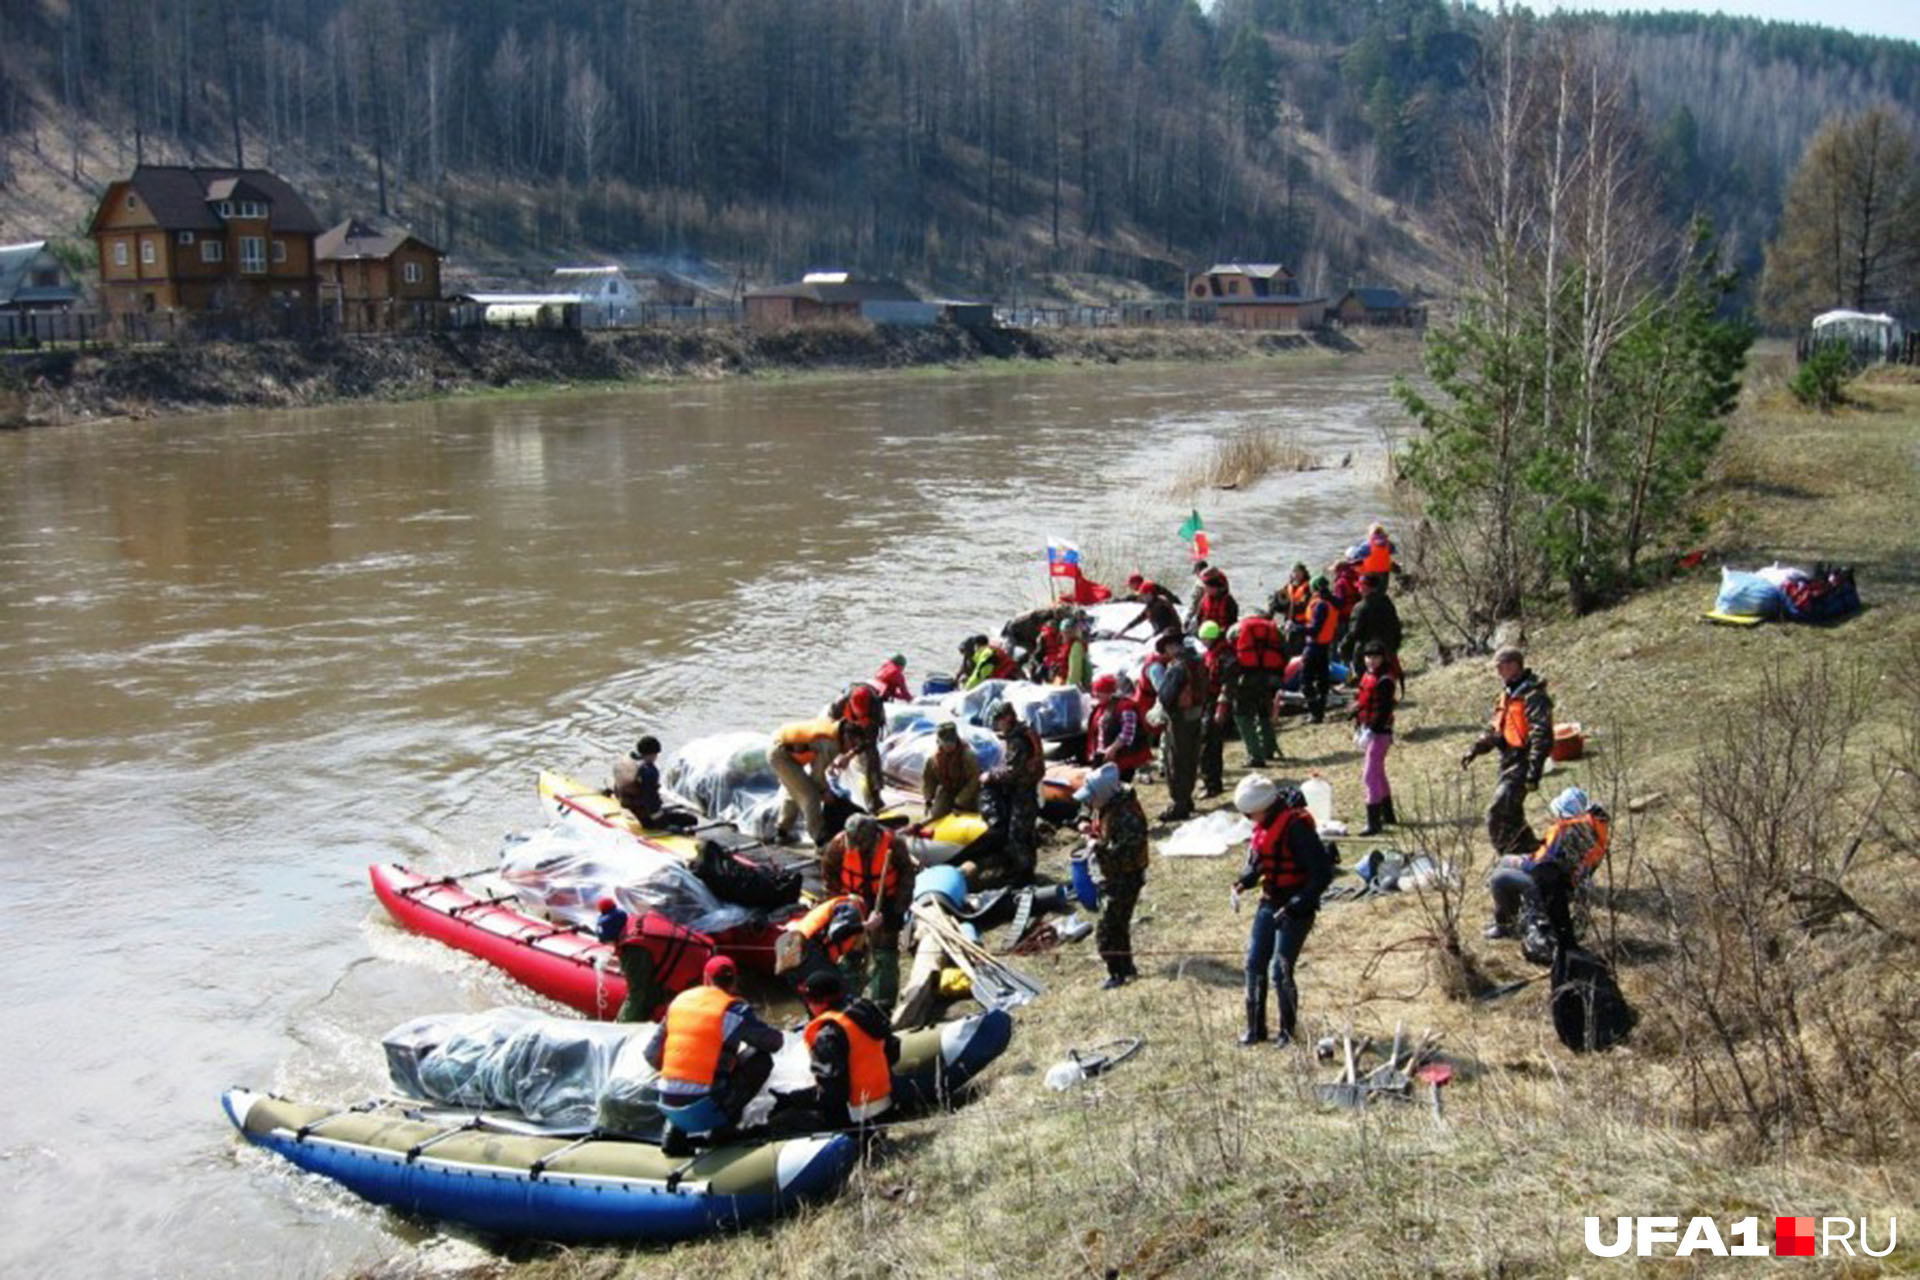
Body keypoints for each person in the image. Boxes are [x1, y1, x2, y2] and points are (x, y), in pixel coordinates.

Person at [643, 955, 784, 1154]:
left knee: (687, 1069)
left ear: (706, 979)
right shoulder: (735, 1010)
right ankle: (723, 1130)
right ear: (734, 981)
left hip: (666, 1103)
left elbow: (651, 1054)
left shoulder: (678, 1003)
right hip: (705, 1108)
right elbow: (775, 1043)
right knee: (758, 1058)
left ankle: (673, 1134)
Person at [1232, 777, 1335, 1047]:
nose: (1248, 818)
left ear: (1263, 807)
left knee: (1280, 969)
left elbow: (1322, 874)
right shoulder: (1263, 826)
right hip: (1270, 901)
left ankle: (1287, 1032)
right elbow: (1259, 863)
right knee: (1254, 964)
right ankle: (1255, 1029)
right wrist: (1244, 881)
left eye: (1250, 812)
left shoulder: (1296, 828)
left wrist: (1298, 904)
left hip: (1296, 908)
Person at [1487, 786, 1610, 955]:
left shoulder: (1567, 832)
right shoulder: (1593, 829)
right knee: (1506, 861)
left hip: (1550, 886)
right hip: (1570, 883)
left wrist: (1521, 862)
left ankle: (1506, 925)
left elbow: (1543, 868)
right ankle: (1511, 916)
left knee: (1499, 877)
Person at [1461, 646, 1555, 860]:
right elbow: (1495, 729)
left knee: (1497, 814)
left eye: (1500, 666)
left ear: (1514, 665)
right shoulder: (1507, 694)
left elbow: (1542, 735)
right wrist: (1475, 748)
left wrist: (1534, 770)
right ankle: (1531, 852)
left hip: (1523, 761)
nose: (1497, 672)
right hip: (1508, 761)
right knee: (1511, 814)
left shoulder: (1533, 695)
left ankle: (1508, 860)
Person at [818, 814, 915, 1009]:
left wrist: (898, 907)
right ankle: (848, 1000)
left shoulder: (894, 844)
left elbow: (907, 874)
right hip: (853, 902)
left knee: (885, 954)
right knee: (851, 954)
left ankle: (883, 1004)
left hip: (886, 902)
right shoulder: (837, 847)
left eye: (863, 844)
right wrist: (839, 906)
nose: (858, 848)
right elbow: (829, 878)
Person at [1075, 763, 1150, 989]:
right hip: (1114, 874)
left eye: (1092, 798)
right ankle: (1125, 968)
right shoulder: (1107, 800)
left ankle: (1117, 972)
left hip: (1126, 876)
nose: (1089, 802)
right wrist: (1085, 822)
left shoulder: (1128, 815)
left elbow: (1122, 851)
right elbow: (1086, 806)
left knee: (1108, 928)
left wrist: (1095, 846)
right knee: (1118, 924)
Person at [798, 968, 900, 1130]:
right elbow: (893, 1051)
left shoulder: (828, 1034)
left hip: (856, 1116)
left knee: (788, 1115)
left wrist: (794, 1098)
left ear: (818, 1002)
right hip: (885, 1103)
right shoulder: (866, 1010)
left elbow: (831, 1091)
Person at [596, 896, 716, 1023]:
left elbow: (638, 995)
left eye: (609, 942)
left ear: (615, 936)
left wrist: (621, 1025)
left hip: (698, 977)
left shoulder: (634, 949)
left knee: (648, 1003)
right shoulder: (637, 921)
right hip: (705, 952)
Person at [980, 700, 1044, 884]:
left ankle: (1024, 875)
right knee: (1025, 833)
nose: (997, 724)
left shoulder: (1017, 741)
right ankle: (1027, 871)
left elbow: (1012, 772)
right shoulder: (1023, 733)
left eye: (998, 720)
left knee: (1018, 835)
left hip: (1023, 793)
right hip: (1028, 790)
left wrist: (990, 776)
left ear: (1007, 718)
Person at [1153, 631, 1207, 822]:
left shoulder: (1177, 667)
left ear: (1171, 646)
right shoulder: (1198, 661)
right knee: (1190, 758)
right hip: (1196, 714)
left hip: (1179, 719)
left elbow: (1167, 696)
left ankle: (1179, 803)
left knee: (1175, 761)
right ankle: (1186, 798)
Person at [769, 715, 846, 845]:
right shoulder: (831, 745)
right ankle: (820, 839)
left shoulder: (832, 730)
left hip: (785, 749)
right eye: (852, 743)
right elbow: (817, 776)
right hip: (781, 754)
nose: (851, 748)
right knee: (810, 794)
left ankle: (781, 832)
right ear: (846, 737)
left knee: (795, 791)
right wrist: (824, 792)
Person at [1226, 612, 1285, 765]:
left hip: (1246, 678)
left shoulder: (1237, 628)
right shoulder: (1274, 629)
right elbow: (1285, 653)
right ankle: (1268, 749)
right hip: (1269, 678)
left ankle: (1255, 756)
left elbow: (1230, 651)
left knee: (1242, 716)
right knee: (1264, 712)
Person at [1352, 641, 1398, 835]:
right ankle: (1388, 816)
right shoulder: (1368, 676)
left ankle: (1374, 823)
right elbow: (1364, 703)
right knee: (1378, 773)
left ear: (1382, 658)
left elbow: (1384, 709)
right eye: (1368, 657)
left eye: (1375, 657)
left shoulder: (1385, 680)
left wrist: (1370, 730)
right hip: (1369, 728)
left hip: (1380, 733)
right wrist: (1358, 725)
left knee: (1370, 775)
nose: (1371, 661)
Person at [611, 736, 700, 833]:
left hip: (628, 807)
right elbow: (651, 801)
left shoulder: (627, 759)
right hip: (644, 817)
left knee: (668, 808)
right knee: (691, 819)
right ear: (651, 754)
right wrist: (664, 825)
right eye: (656, 754)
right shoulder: (648, 771)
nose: (656, 757)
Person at [830, 683, 887, 814]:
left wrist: (850, 755)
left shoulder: (875, 708)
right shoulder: (841, 702)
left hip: (869, 726)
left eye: (862, 717)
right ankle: (834, 789)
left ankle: (875, 796)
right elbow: (831, 723)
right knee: (837, 747)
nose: (860, 720)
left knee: (871, 756)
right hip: (847, 724)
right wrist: (838, 753)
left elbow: (870, 741)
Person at [1342, 572, 1404, 689]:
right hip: (1387, 648)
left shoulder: (1360, 607)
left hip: (1368, 651)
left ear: (1366, 587)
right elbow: (1396, 625)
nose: (1359, 589)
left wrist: (1344, 648)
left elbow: (1354, 632)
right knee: (1385, 676)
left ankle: (1369, 699)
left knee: (1367, 679)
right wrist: (1395, 644)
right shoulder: (1387, 602)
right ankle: (1385, 698)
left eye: (1360, 586)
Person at [1086, 673, 1153, 780]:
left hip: (1122, 759)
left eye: (1100, 691)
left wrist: (1113, 749)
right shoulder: (1099, 708)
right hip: (1102, 757)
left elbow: (1128, 733)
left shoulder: (1126, 708)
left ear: (1109, 693)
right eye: (1095, 691)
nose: (1096, 694)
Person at [1197, 620, 1232, 797]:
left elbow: (1227, 685)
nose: (1202, 643)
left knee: (1210, 745)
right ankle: (1210, 782)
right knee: (1207, 744)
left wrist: (1221, 708)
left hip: (1217, 703)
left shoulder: (1224, 656)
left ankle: (1212, 784)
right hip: (1209, 701)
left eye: (1204, 639)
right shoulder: (1212, 654)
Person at [921, 720, 982, 822]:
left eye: (952, 741)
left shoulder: (968, 756)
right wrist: (928, 799)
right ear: (939, 741)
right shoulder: (933, 759)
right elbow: (929, 780)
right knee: (936, 814)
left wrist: (961, 801)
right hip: (948, 791)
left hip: (969, 791)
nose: (950, 745)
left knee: (975, 814)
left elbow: (974, 780)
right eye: (946, 742)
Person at [1298, 576, 1338, 723]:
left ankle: (1315, 712)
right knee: (1322, 681)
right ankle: (1318, 713)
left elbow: (1315, 630)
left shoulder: (1320, 605)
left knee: (1305, 681)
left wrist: (1297, 629)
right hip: (1324, 646)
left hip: (1314, 647)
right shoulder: (1331, 602)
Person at [1124, 574, 1183, 640]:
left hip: (1172, 636)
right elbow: (1140, 618)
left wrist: (1149, 639)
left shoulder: (1160, 606)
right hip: (1164, 633)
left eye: (1143, 595)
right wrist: (1124, 630)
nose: (1142, 598)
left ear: (1149, 594)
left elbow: (1162, 627)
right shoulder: (1152, 604)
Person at [1185, 565, 1239, 635]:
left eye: (1207, 587)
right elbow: (1199, 618)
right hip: (1205, 635)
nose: (1205, 589)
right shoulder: (1204, 600)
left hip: (1222, 635)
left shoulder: (1229, 602)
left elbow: (1232, 625)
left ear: (1215, 588)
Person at [1272, 563, 1312, 657]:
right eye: (1295, 572)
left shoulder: (1307, 588)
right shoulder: (1288, 586)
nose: (1297, 575)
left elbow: (1305, 605)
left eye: (1299, 572)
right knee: (1287, 646)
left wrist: (1289, 605)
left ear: (1304, 573)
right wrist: (1277, 602)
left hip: (1301, 623)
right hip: (1289, 621)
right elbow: (1281, 600)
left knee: (1299, 648)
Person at [1059, 614, 1091, 690]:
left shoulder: (1075, 645)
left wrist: (1069, 688)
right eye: (1064, 632)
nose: (1066, 634)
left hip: (1071, 686)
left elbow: (1075, 670)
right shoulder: (1067, 644)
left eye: (1069, 632)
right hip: (1064, 681)